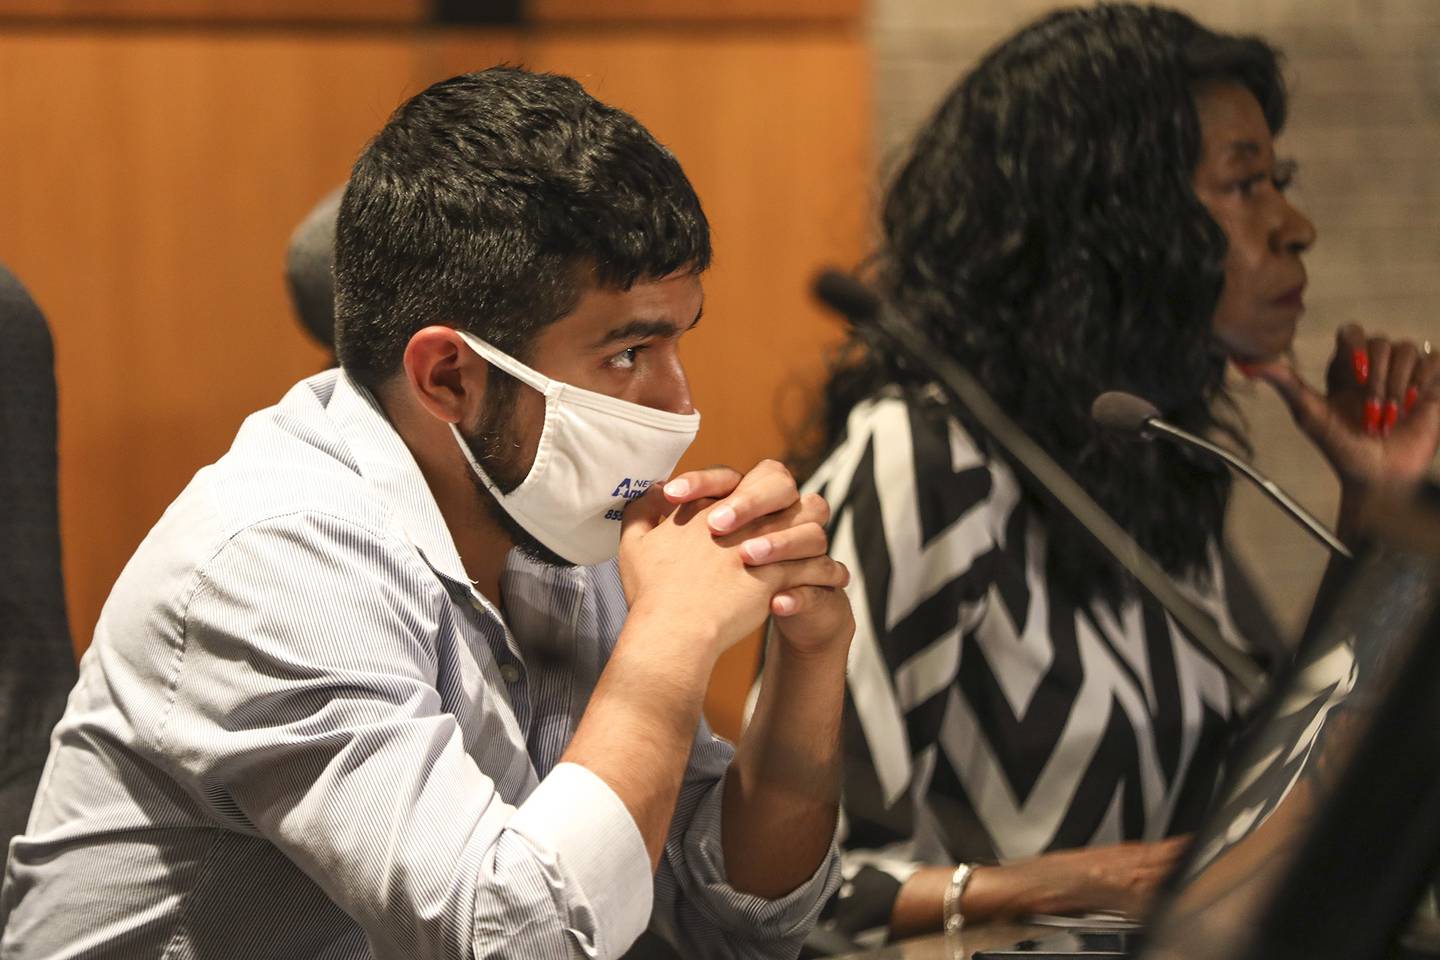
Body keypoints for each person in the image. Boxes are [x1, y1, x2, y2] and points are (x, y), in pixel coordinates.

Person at [0, 68, 855, 960]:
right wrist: (673, 634)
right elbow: (516, 943)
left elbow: (727, 920)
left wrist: (807, 656)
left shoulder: (547, 515)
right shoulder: (276, 561)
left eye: (679, 341)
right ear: (449, 376)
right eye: (630, 351)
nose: (679, 404)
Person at [801, 4, 1440, 944]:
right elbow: (795, 894)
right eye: (1244, 186)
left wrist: (1379, 511)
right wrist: (1050, 885)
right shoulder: (924, 461)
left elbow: (1287, 814)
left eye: (1281, 183)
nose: (1295, 226)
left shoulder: (1147, 461)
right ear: (1113, 220)